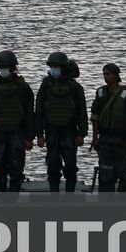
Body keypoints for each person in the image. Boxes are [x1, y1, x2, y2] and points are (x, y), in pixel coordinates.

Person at [0, 50, 35, 192]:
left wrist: (29, 137)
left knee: (17, 168)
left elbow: (29, 114)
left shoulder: (23, 88)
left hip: (18, 133)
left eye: (6, 67)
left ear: (13, 68)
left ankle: (13, 200)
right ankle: (2, 200)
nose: (4, 70)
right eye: (1, 67)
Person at [36, 51, 88, 192]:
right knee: (52, 163)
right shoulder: (46, 85)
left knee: (70, 164)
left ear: (63, 67)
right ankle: (54, 193)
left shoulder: (74, 87)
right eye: (52, 66)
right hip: (51, 130)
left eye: (56, 66)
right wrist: (39, 134)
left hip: (70, 130)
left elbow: (82, 112)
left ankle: (70, 192)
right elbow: (39, 111)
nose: (53, 69)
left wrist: (82, 134)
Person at [91, 63, 126, 192]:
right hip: (105, 139)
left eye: (108, 74)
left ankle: (122, 198)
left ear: (116, 75)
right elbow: (95, 116)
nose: (105, 77)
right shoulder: (101, 92)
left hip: (122, 139)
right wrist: (94, 137)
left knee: (123, 171)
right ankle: (105, 198)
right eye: (104, 74)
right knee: (104, 171)